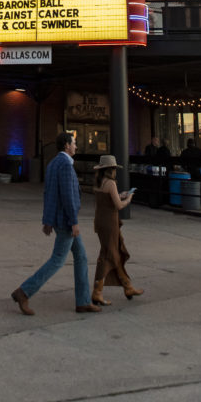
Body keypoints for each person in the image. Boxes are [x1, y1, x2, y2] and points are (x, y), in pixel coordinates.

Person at [11, 132, 99, 315]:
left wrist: (48, 220)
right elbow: (67, 196)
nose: (76, 146)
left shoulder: (52, 164)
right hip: (66, 221)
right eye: (74, 143)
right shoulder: (66, 166)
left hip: (59, 219)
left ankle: (83, 301)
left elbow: (49, 194)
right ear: (67, 145)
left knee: (81, 257)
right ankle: (24, 291)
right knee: (58, 260)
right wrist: (73, 222)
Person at [91, 154, 143, 306]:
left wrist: (120, 195)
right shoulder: (111, 183)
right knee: (110, 255)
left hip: (100, 221)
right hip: (110, 223)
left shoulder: (98, 182)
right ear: (111, 169)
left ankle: (128, 287)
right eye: (114, 169)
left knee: (113, 253)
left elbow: (107, 200)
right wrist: (128, 199)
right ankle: (97, 292)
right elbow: (119, 206)